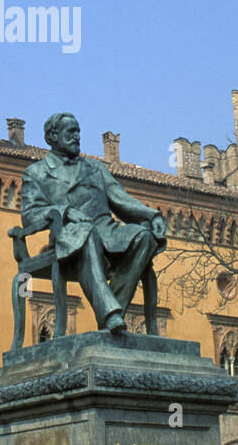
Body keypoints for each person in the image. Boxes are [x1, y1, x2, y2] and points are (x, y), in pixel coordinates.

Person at [20, 112, 166, 333]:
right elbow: (29, 215)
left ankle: (111, 313)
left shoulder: (95, 168)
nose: (77, 137)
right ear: (53, 136)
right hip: (70, 238)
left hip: (107, 232)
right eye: (71, 132)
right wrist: (65, 211)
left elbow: (122, 199)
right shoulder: (37, 173)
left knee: (143, 236)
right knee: (86, 233)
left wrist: (151, 216)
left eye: (78, 131)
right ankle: (110, 314)